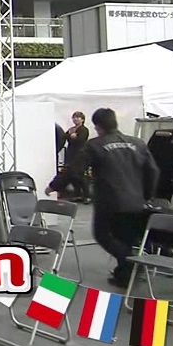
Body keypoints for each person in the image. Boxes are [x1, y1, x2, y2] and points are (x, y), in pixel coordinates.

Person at [45, 108, 160, 288]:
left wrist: (54, 186)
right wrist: (147, 195)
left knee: (103, 235)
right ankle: (124, 276)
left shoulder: (95, 145)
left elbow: (74, 169)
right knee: (125, 238)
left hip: (109, 201)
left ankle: (131, 262)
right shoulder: (137, 143)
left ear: (98, 126)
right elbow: (153, 171)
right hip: (136, 201)